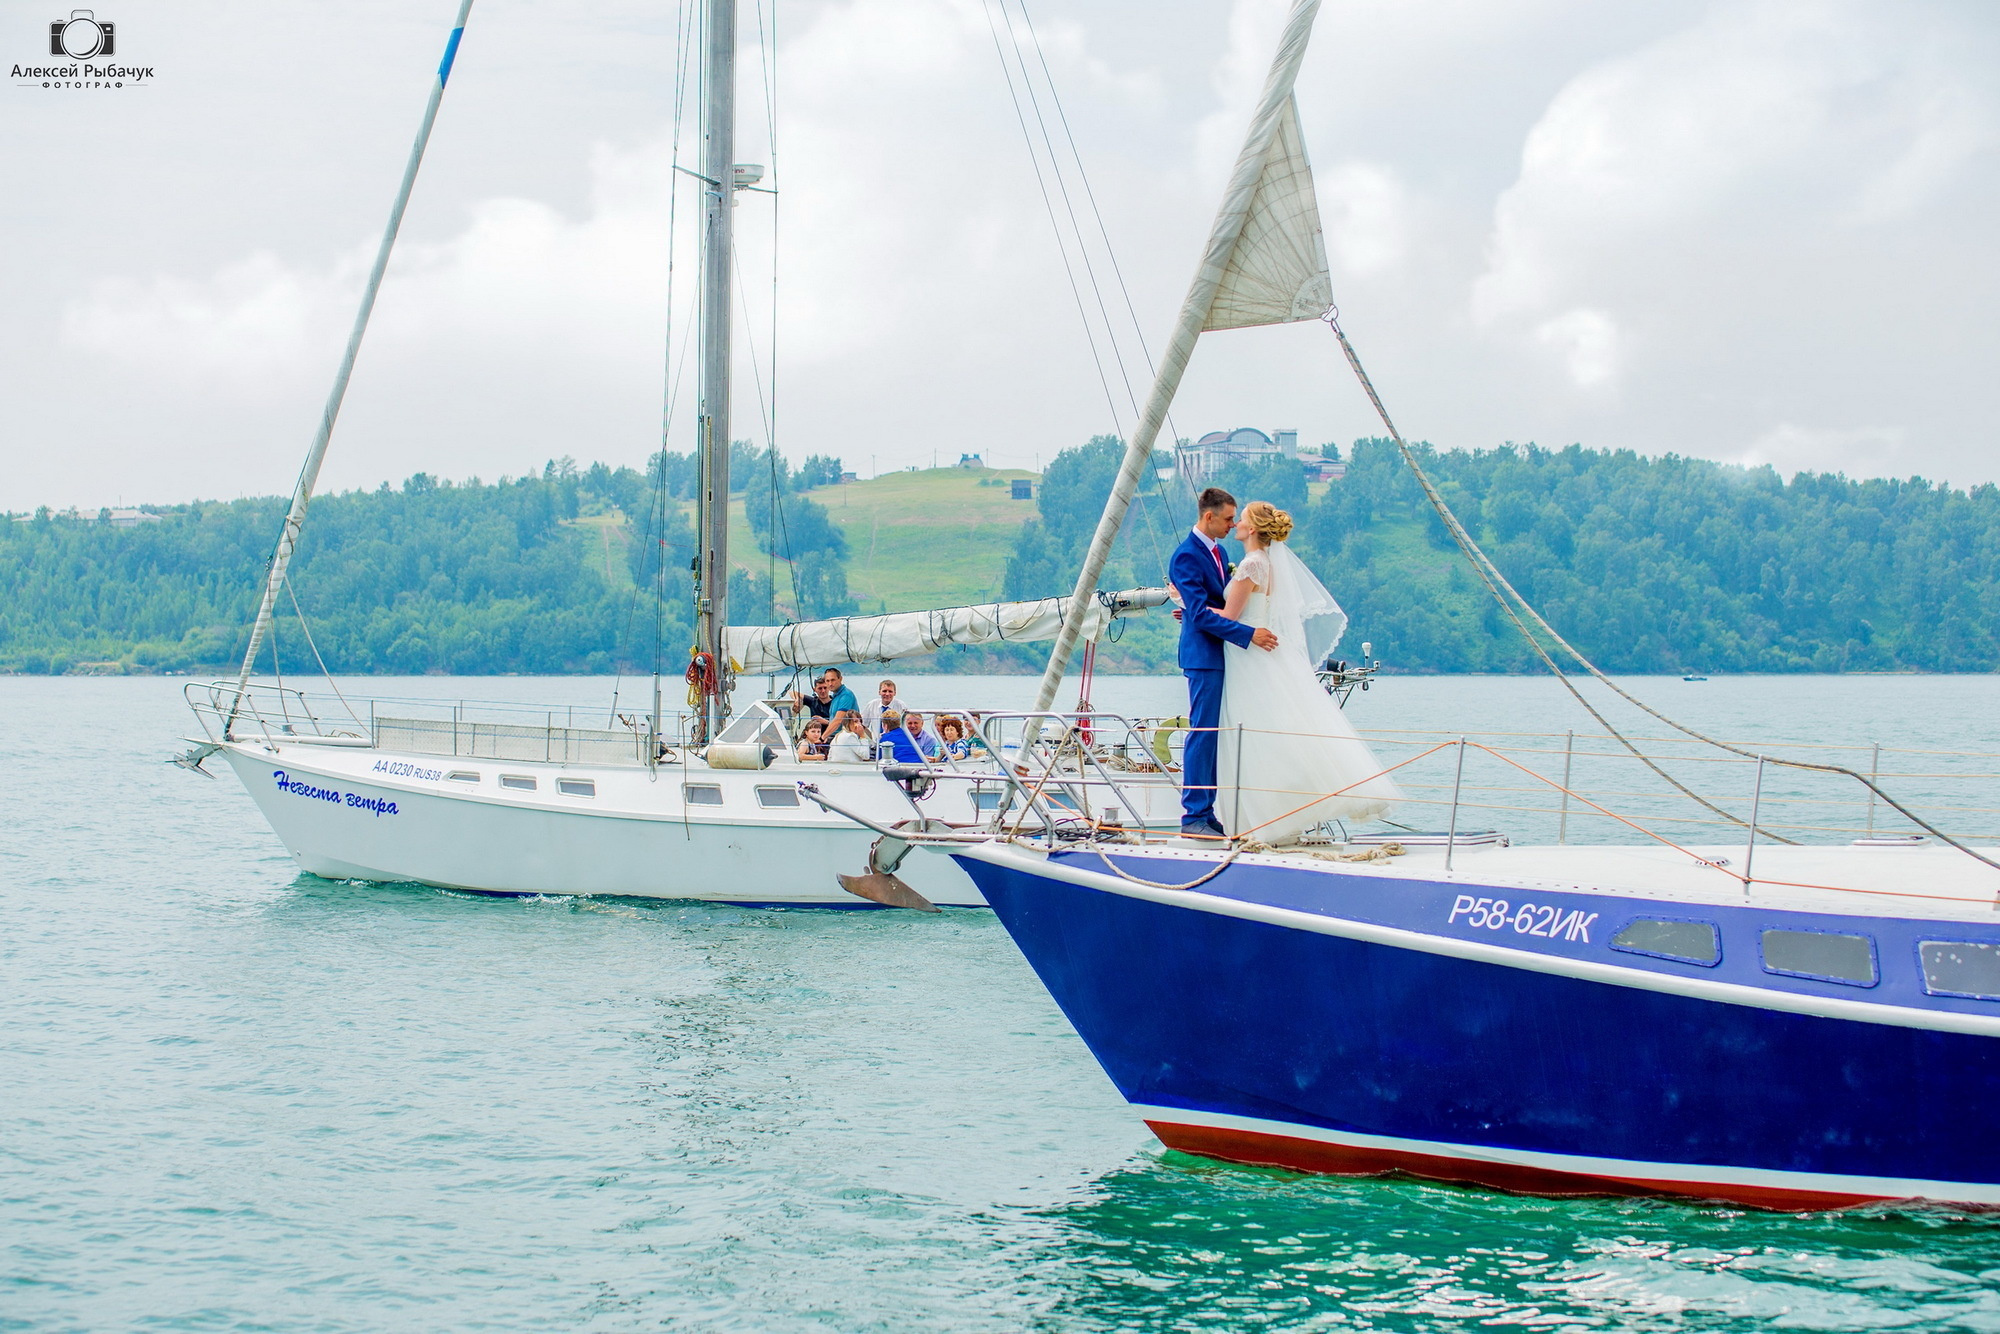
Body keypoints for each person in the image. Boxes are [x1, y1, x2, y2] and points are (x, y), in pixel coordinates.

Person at [1212, 500, 1401, 842]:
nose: (1236, 524)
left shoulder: (1251, 566)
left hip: (1248, 654)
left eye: (1240, 520)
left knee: (1254, 732)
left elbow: (1227, 618)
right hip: (1261, 649)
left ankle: (1263, 820)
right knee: (1271, 731)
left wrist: (1184, 601)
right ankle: (1277, 816)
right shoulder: (1267, 563)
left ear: (1252, 529)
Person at [1168, 487, 1274, 838]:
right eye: (1228, 518)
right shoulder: (1185, 556)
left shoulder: (1221, 551)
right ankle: (1194, 816)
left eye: (1236, 519)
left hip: (1222, 652)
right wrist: (1247, 634)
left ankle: (1208, 812)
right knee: (1203, 732)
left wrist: (1191, 612)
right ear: (1208, 516)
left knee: (1215, 733)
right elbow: (1199, 612)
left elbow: (1206, 606)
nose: (1233, 524)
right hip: (1204, 656)